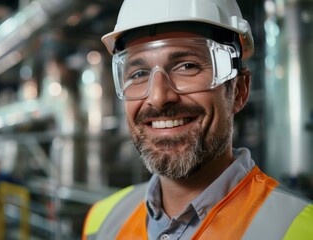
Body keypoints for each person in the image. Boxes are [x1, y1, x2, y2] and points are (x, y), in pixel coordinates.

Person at [82, 0, 313, 239]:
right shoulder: (102, 221)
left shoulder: (300, 231)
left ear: (240, 90)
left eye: (187, 66)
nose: (159, 97)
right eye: (139, 74)